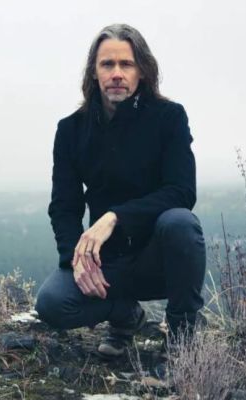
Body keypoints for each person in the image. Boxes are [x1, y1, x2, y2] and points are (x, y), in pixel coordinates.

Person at [35, 23, 206, 358]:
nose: (116, 73)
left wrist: (115, 217)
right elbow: (64, 207)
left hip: (158, 260)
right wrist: (77, 260)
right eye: (107, 64)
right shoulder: (71, 130)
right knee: (52, 303)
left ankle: (181, 342)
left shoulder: (169, 117)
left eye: (126, 64)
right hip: (107, 263)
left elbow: (182, 191)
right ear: (94, 72)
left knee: (181, 223)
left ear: (142, 71)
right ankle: (125, 316)